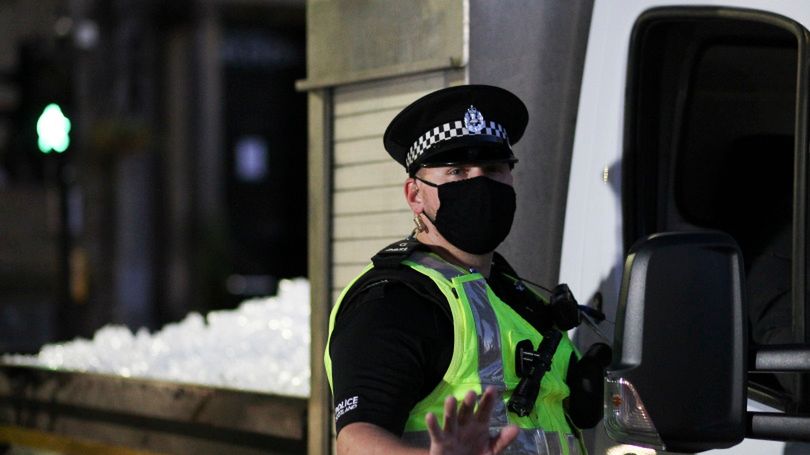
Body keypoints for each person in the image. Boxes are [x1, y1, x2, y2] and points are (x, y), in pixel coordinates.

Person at [324, 85, 609, 455]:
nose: (479, 183)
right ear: (415, 194)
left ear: (511, 179)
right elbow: (354, 440)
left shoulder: (516, 298)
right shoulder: (396, 301)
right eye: (457, 171)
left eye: (492, 169)